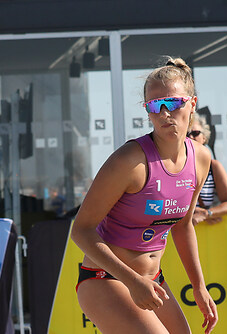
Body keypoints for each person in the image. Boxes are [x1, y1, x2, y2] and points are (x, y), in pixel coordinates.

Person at [71, 57, 218, 334]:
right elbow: (81, 230)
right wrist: (132, 281)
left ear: (192, 104)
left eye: (173, 103)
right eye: (154, 106)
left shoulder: (200, 158)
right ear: (147, 111)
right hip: (105, 278)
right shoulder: (130, 161)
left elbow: (184, 226)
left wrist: (199, 288)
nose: (164, 113)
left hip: (151, 280)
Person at [188, 113, 227, 225]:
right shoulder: (172, 169)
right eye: (186, 134)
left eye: (195, 133)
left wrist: (206, 214)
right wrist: (190, 213)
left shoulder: (213, 167)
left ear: (204, 137)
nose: (191, 137)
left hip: (211, 234)